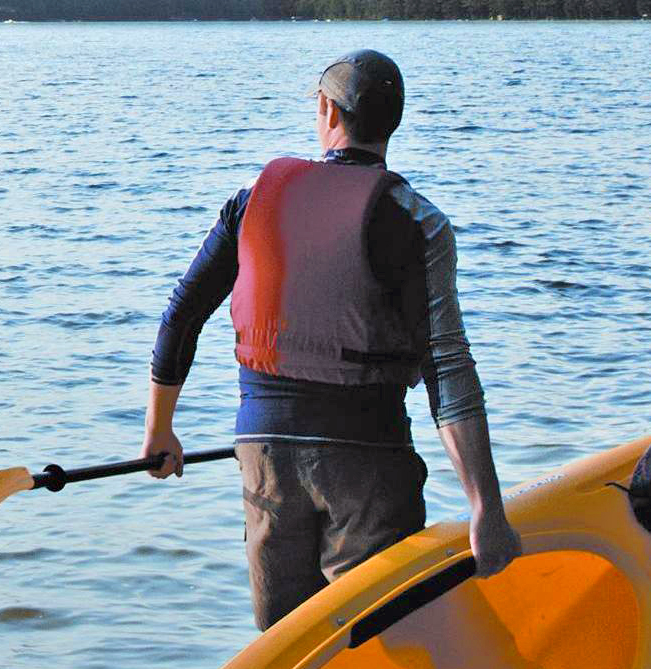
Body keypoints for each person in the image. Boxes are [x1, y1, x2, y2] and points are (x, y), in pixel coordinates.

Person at [141, 49, 522, 630]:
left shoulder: (251, 201)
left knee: (288, 662)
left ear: (326, 110)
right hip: (367, 464)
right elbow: (447, 367)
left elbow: (182, 314)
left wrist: (160, 431)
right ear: (393, 123)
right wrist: (484, 508)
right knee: (378, 653)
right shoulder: (419, 221)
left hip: (264, 456)